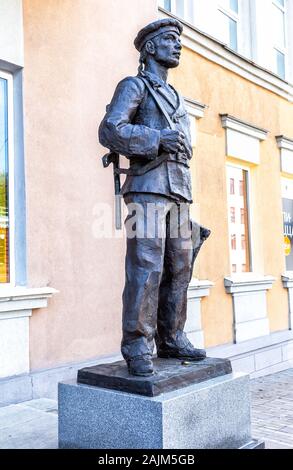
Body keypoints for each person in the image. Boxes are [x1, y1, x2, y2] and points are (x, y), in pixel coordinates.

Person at [99, 18, 210, 377]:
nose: (177, 46)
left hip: (178, 189)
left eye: (178, 40)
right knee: (146, 268)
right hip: (147, 186)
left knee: (180, 268)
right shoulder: (134, 86)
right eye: (168, 40)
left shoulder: (176, 97)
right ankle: (137, 344)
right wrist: (156, 139)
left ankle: (172, 337)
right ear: (150, 48)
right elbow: (110, 129)